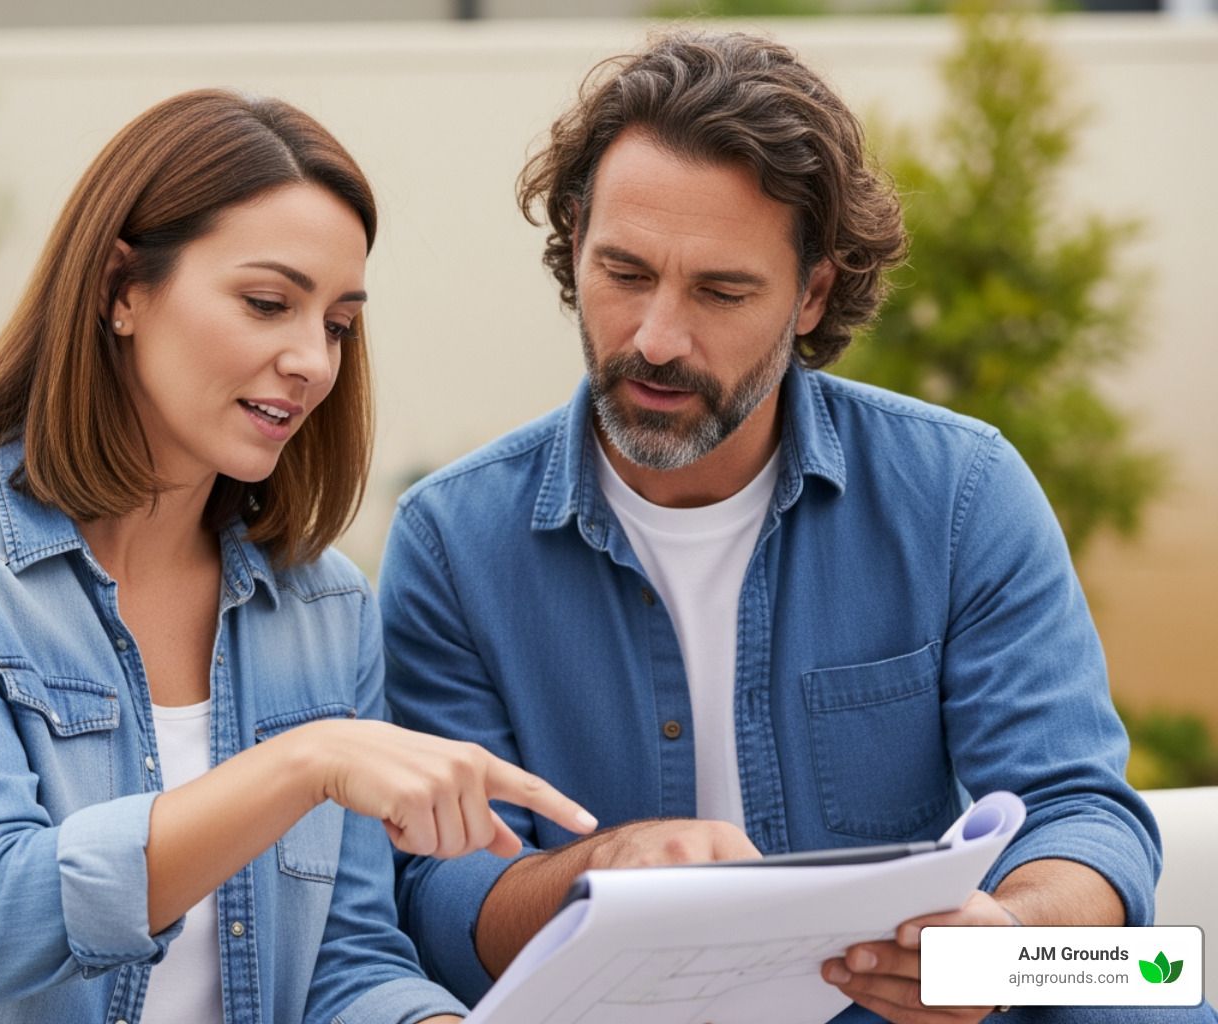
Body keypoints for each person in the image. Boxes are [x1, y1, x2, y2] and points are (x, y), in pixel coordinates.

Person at [381, 32, 1211, 1024]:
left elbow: (1083, 813)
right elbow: (444, 900)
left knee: (1154, 985)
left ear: (813, 290)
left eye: (722, 291)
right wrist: (611, 869)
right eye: (626, 273)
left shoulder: (960, 491)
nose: (656, 338)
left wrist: (1004, 947)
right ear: (574, 237)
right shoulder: (452, 542)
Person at [0, 90, 596, 1024]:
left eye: (337, 323)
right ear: (119, 290)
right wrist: (308, 761)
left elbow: (345, 961)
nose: (313, 362)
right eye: (267, 303)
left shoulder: (325, 608)